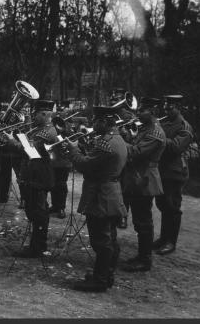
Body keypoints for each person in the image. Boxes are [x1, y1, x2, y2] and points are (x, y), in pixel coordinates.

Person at [62, 105, 128, 292]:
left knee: (101, 241)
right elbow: (98, 161)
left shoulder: (106, 144)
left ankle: (99, 280)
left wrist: (74, 150)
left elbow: (85, 165)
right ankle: (106, 274)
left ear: (105, 122)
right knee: (110, 238)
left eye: (96, 121)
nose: (92, 124)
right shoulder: (117, 139)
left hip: (101, 196)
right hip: (112, 192)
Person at [5, 99, 57, 258]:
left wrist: (12, 141)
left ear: (44, 114)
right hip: (33, 175)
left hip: (39, 176)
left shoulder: (46, 132)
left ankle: (38, 247)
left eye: (35, 114)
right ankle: (36, 245)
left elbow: (29, 150)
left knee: (38, 212)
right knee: (34, 211)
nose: (33, 117)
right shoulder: (40, 129)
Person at [119, 97, 166, 272]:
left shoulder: (155, 133)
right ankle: (141, 256)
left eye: (142, 111)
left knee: (143, 222)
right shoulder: (146, 129)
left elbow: (137, 153)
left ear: (153, 112)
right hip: (137, 177)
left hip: (145, 179)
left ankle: (145, 260)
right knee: (140, 221)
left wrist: (118, 141)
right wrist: (126, 136)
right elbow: (134, 145)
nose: (138, 113)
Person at [154, 94, 194, 255]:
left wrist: (158, 133)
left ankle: (171, 242)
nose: (167, 110)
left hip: (175, 172)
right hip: (162, 171)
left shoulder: (185, 127)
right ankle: (163, 238)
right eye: (165, 107)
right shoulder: (164, 122)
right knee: (163, 205)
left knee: (172, 207)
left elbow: (176, 148)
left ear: (179, 108)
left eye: (170, 108)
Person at [110, 88, 138, 229]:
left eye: (116, 99)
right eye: (112, 99)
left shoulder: (128, 115)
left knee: (124, 189)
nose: (112, 101)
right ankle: (114, 214)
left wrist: (124, 134)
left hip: (124, 156)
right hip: (112, 154)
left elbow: (133, 136)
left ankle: (123, 217)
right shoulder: (110, 114)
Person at [49, 104, 74, 219]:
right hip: (54, 161)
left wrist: (66, 129)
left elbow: (71, 138)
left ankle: (61, 208)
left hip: (64, 163)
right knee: (53, 184)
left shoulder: (69, 125)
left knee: (61, 185)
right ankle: (54, 205)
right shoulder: (55, 121)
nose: (62, 111)